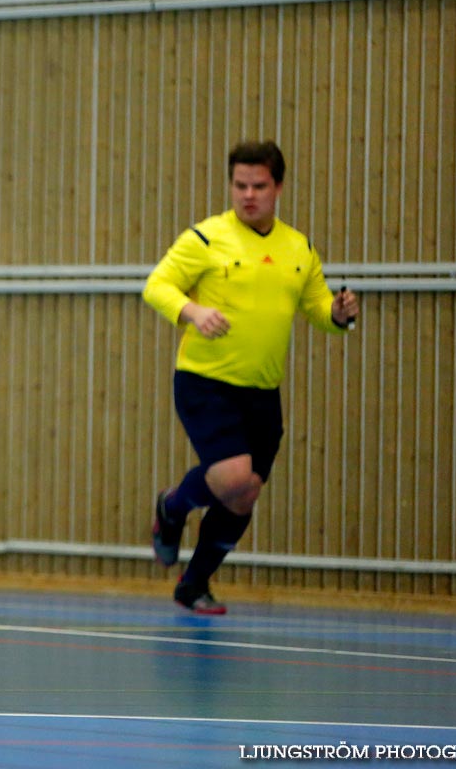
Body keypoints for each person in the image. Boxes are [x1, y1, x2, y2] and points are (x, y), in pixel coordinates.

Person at [143, 140, 359, 614]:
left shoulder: (297, 247)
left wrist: (339, 314)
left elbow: (317, 308)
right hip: (205, 381)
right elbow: (156, 285)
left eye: (258, 186)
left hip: (263, 390)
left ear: (277, 186)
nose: (248, 195)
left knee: (244, 495)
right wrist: (192, 310)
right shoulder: (205, 238)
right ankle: (174, 506)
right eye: (239, 185)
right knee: (235, 476)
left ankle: (193, 584)